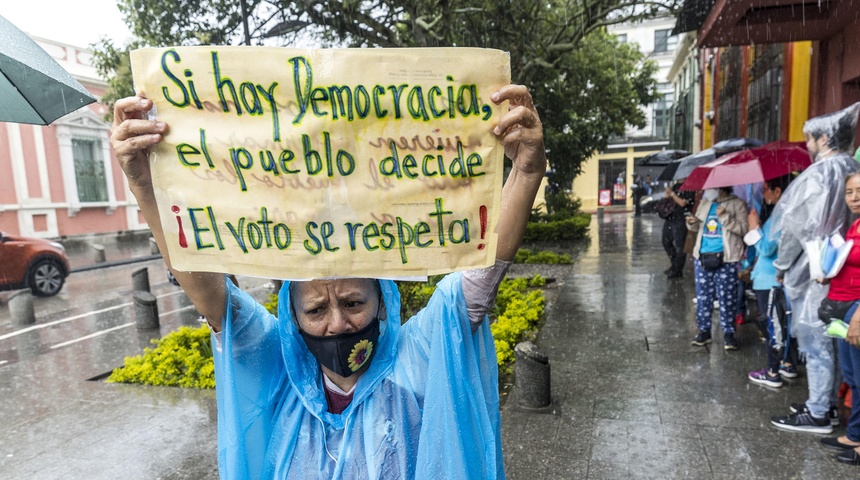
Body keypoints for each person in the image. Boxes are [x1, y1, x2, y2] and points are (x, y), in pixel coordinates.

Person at [110, 84, 546, 479]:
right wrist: (144, 185)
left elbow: (476, 284)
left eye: (354, 303)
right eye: (316, 310)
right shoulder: (278, 366)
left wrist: (526, 172)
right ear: (292, 317)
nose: (337, 325)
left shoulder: (415, 357)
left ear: (383, 299)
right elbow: (212, 298)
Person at [769, 102, 860, 434]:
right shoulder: (851, 169)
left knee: (815, 338)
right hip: (845, 273)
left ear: (824, 138)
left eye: (810, 138)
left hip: (815, 272)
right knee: (834, 339)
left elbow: (794, 228)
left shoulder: (819, 175)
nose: (807, 144)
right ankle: (825, 404)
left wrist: (780, 266)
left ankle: (819, 411)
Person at [818, 171, 860, 463]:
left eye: (859, 190)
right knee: (853, 377)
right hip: (844, 308)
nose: (854, 197)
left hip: (857, 309)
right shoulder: (854, 225)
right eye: (849, 192)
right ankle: (855, 434)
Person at [746, 174, 797, 387]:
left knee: (772, 326)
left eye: (767, 188)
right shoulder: (781, 212)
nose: (763, 192)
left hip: (770, 281)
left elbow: (767, 248)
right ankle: (787, 363)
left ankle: (773, 372)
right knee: (783, 325)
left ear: (778, 192)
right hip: (770, 278)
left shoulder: (782, 214)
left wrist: (754, 227)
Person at [686, 186, 749, 350]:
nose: (707, 190)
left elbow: (744, 230)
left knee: (727, 298)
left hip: (727, 259)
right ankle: (704, 332)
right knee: (703, 298)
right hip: (702, 258)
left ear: (721, 188)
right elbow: (697, 228)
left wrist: (725, 216)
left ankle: (729, 334)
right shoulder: (705, 203)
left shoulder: (737, 204)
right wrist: (691, 223)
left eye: (711, 187)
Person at [662, 181, 695, 278]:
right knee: (666, 241)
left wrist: (672, 194)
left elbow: (682, 203)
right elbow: (671, 200)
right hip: (671, 216)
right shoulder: (676, 186)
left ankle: (677, 269)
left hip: (682, 218)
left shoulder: (690, 187)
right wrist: (668, 195)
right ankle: (675, 265)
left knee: (680, 245)